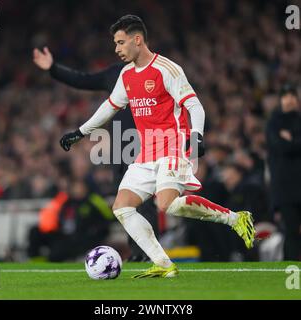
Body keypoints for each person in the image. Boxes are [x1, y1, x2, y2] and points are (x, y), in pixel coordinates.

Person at [59, 15, 255, 278]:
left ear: (137, 40)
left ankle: (235, 219)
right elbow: (110, 106)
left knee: (167, 204)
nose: (116, 49)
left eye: (120, 42)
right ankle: (164, 264)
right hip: (146, 153)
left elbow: (193, 104)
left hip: (173, 147)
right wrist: (80, 132)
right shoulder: (127, 75)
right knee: (122, 207)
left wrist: (197, 135)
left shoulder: (166, 69)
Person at [33, 46, 158, 262]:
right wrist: (53, 68)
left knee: (144, 202)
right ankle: (137, 253)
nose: (119, 48)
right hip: (120, 152)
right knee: (126, 204)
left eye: (123, 42)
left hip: (146, 148)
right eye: (117, 43)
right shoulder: (114, 73)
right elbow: (84, 80)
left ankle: (149, 252)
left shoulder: (157, 71)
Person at [266, 83, 301, 260]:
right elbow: (280, 147)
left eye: (292, 95)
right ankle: (292, 270)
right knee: (291, 232)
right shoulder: (274, 123)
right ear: (280, 100)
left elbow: (286, 146)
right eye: (285, 96)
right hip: (285, 189)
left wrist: (290, 140)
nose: (290, 100)